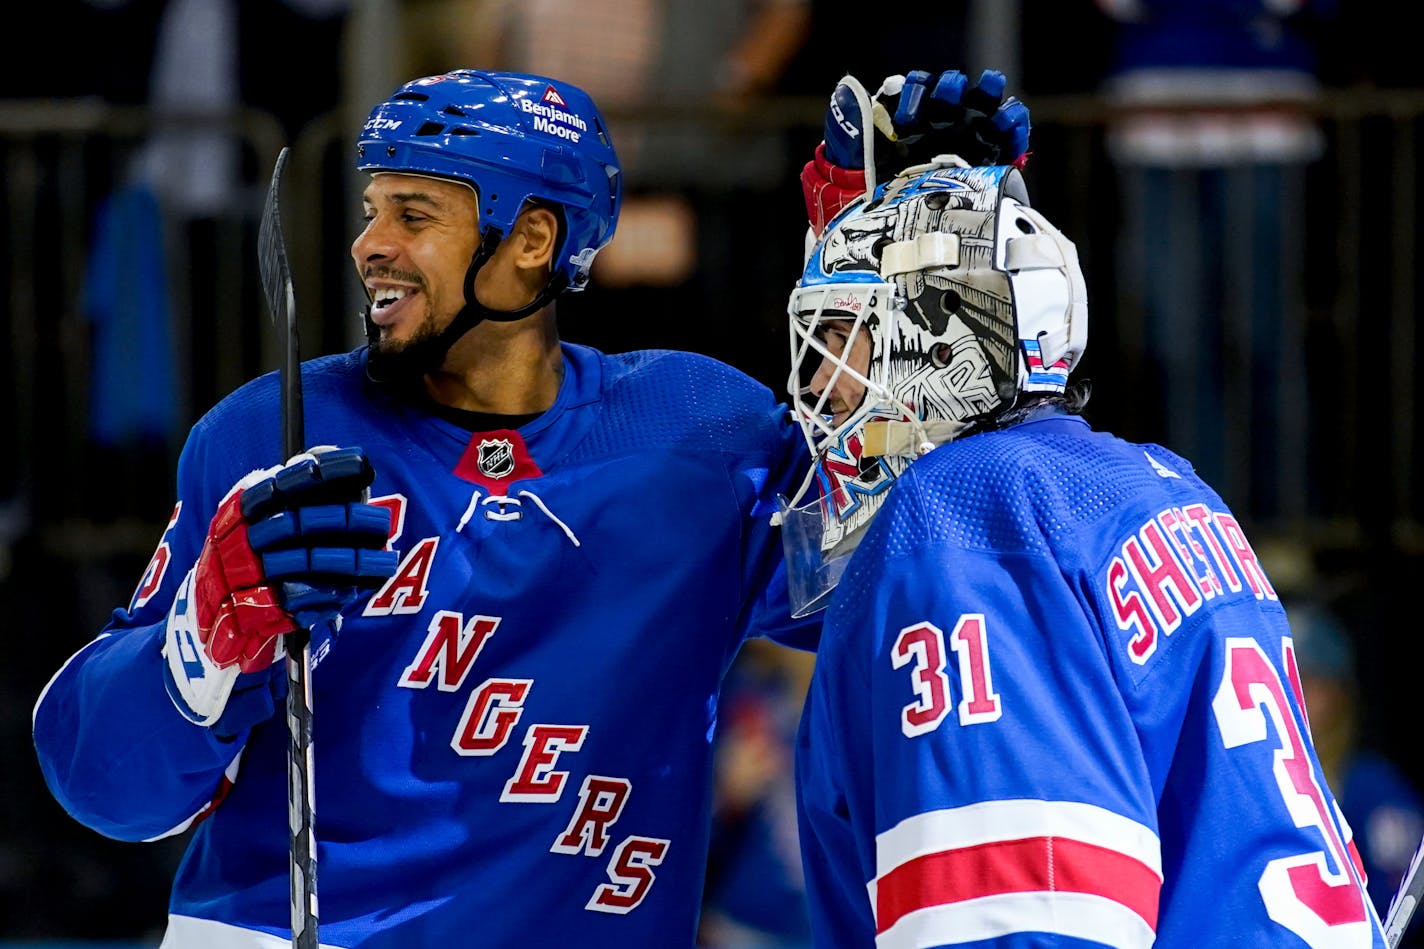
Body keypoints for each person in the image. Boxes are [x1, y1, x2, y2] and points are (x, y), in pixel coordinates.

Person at [31, 67, 1031, 947]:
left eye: (414, 215)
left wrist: (906, 264)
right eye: (371, 208)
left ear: (531, 241)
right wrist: (200, 640)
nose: (367, 244)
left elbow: (899, 577)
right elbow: (106, 791)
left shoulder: (697, 432)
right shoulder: (275, 434)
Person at [781, 84, 1386, 946]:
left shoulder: (963, 513)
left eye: (844, 336)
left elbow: (1026, 921)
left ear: (934, 336)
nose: (817, 385)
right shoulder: (1164, 484)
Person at [1290, 598, 1424, 938]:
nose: (1294, 694)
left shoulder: (1372, 787)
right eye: (1285, 679)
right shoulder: (1249, 784)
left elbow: (1404, 912)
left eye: (1309, 679)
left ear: (1338, 693)